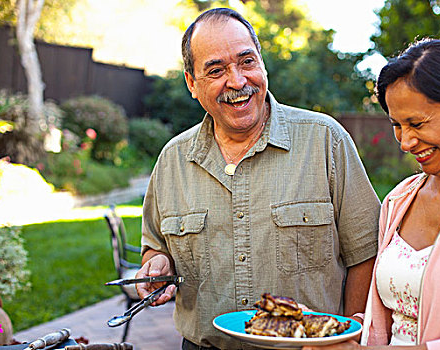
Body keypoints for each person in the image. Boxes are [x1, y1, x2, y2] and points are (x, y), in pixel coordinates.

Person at [134, 7, 381, 350]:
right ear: (192, 82)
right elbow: (155, 247)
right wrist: (156, 264)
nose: (237, 81)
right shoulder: (172, 160)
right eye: (216, 70)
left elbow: (366, 252)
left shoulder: (326, 141)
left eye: (247, 61)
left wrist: (351, 330)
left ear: (262, 63)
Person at [303, 39, 440, 350]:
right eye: (397, 125)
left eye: (417, 123)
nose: (405, 142)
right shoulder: (400, 199)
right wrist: (322, 330)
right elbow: (388, 322)